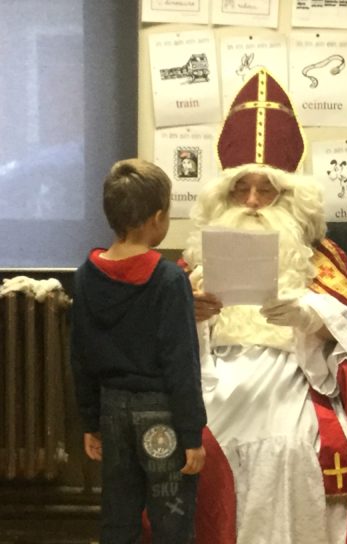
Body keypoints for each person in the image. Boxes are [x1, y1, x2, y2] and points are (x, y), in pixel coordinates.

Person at [181, 68, 347, 544]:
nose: (252, 201)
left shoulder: (321, 257)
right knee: (208, 436)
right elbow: (159, 337)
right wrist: (191, 317)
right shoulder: (192, 262)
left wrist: (312, 317)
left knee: (292, 445)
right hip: (211, 372)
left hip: (295, 371)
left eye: (266, 189)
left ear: (288, 196)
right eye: (240, 189)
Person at [70, 158, 207, 543]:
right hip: (161, 414)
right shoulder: (169, 279)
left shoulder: (85, 276)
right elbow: (181, 363)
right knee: (172, 520)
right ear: (158, 217)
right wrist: (192, 434)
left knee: (118, 516)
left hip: (111, 411)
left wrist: (90, 422)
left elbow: (79, 356)